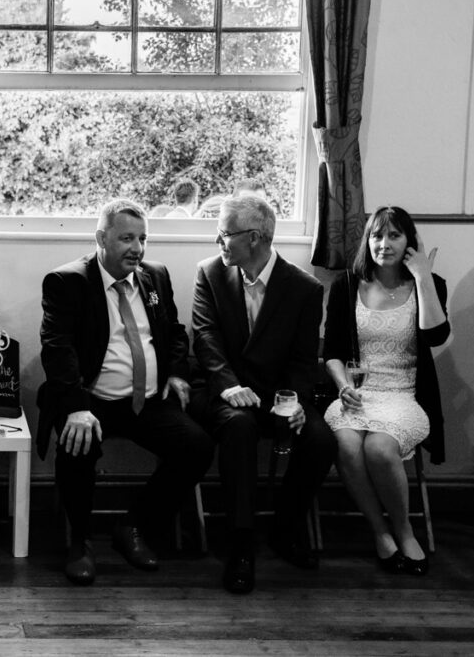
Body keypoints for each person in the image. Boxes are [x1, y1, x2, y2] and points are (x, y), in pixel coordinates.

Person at [37, 199, 214, 586]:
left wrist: (176, 374)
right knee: (76, 442)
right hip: (92, 400)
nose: (137, 248)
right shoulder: (68, 281)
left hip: (147, 401)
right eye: (126, 238)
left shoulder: (156, 275)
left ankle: (134, 526)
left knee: (197, 446)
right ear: (101, 238)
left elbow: (174, 332)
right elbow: (57, 348)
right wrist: (76, 408)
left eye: (142, 239)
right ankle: (79, 542)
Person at [192, 195, 336, 594]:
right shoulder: (210, 274)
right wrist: (228, 385)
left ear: (253, 237)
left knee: (322, 440)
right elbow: (205, 338)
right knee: (238, 429)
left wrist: (294, 403)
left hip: (278, 393)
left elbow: (305, 359)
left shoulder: (304, 288)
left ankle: (286, 530)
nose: (218, 241)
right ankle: (241, 542)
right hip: (225, 391)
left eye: (224, 233)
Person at [322, 206, 448, 576]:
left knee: (378, 447)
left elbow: (436, 336)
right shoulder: (346, 285)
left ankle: (405, 532)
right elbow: (332, 354)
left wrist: (422, 275)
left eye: (394, 235)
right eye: (377, 235)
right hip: (358, 391)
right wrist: (343, 386)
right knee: (346, 444)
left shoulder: (430, 283)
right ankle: (380, 532)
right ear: (367, 241)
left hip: (405, 394)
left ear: (410, 241)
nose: (384, 243)